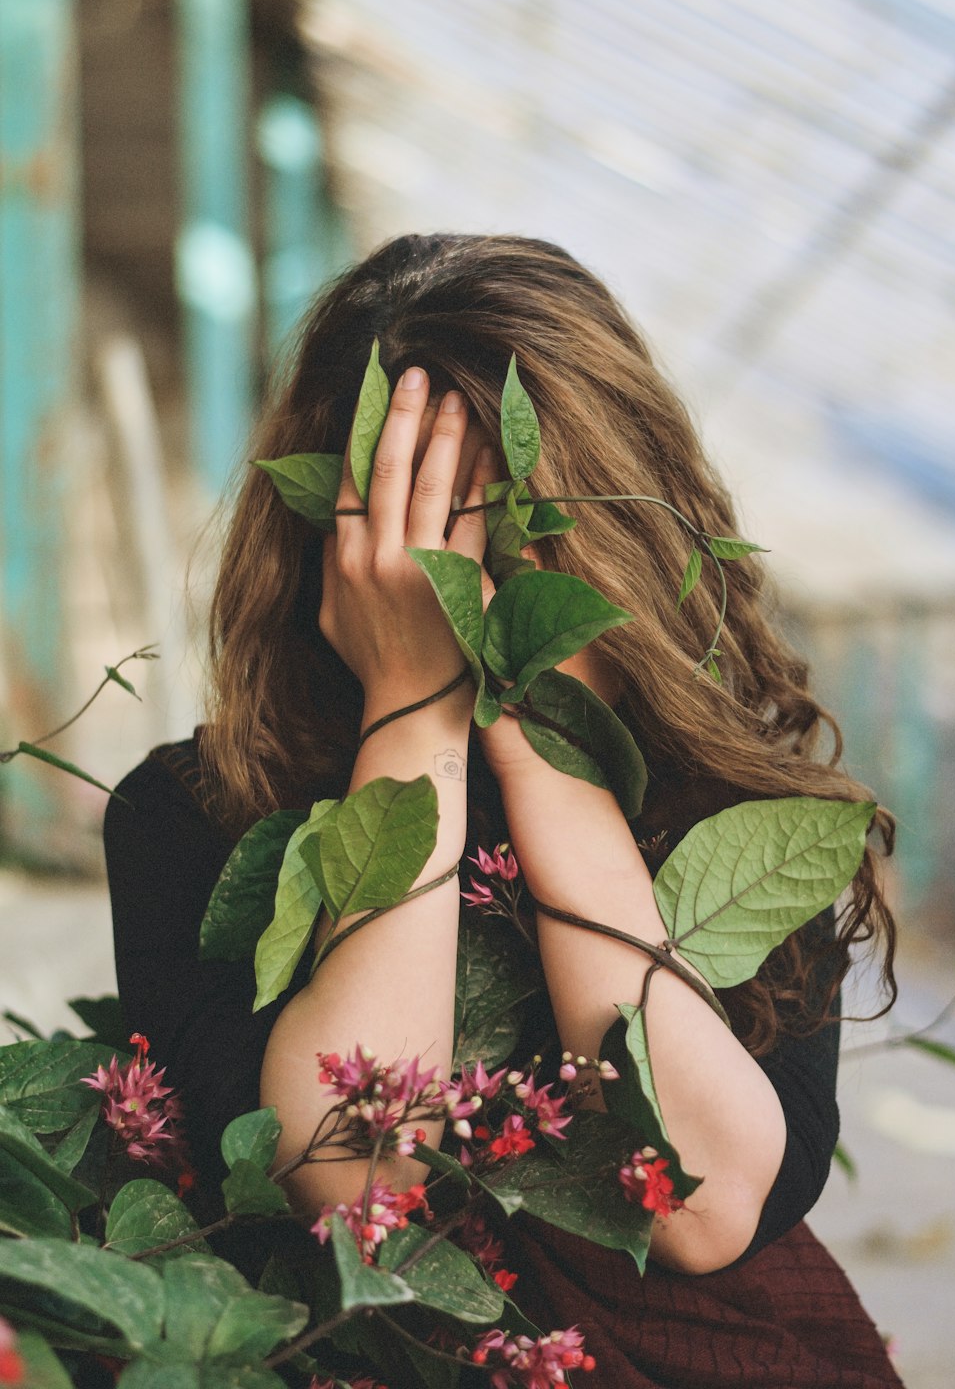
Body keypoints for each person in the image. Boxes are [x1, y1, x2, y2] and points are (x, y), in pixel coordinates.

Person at [105, 233, 904, 1387]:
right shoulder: (193, 815)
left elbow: (702, 1202)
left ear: (626, 534)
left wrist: (550, 753)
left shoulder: (732, 809)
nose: (468, 585)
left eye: (516, 531)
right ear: (332, 539)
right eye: (422, 533)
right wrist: (415, 708)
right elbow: (359, 1184)